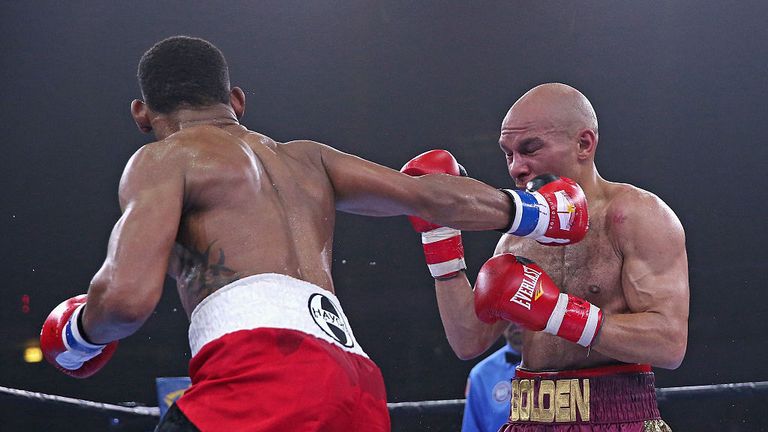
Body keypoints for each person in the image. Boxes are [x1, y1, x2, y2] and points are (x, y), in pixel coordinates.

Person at [38, 37, 586, 432]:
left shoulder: (162, 158)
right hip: (356, 386)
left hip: (258, 378)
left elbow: (127, 301)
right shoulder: (308, 159)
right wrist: (537, 211)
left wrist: (80, 333)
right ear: (237, 102)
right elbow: (431, 194)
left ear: (141, 113)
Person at [412, 83, 689, 431]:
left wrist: (557, 313)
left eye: (530, 149)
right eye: (508, 154)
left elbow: (669, 343)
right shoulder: (516, 239)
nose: (516, 168)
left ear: (584, 144)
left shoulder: (635, 215)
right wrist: (438, 235)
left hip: (617, 416)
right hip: (528, 417)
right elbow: (469, 341)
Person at [462, 324, 523, 432]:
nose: (516, 320)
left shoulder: (559, 364)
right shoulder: (480, 374)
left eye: (522, 312)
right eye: (510, 313)